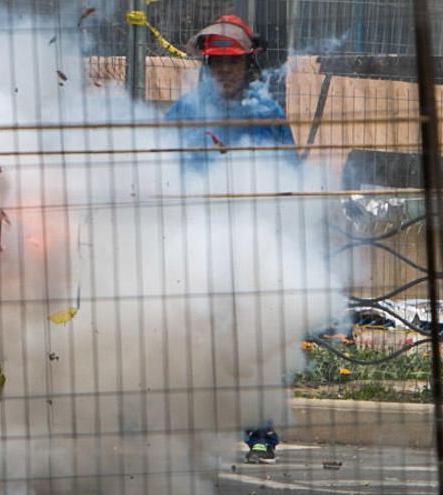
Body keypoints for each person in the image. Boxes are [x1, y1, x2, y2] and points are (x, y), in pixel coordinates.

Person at [166, 14, 295, 464]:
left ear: (248, 64)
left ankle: (260, 433)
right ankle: (187, 435)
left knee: (256, 341)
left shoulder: (267, 115)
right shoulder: (183, 113)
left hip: (253, 249)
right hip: (194, 246)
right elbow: (158, 173)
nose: (224, 72)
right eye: (217, 65)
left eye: (232, 64)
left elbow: (290, 181)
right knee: (190, 341)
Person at [165, 14, 295, 172]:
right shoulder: (184, 110)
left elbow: (291, 170)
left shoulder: (269, 113)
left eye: (234, 61)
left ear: (248, 64)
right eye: (218, 60)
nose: (225, 69)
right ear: (209, 65)